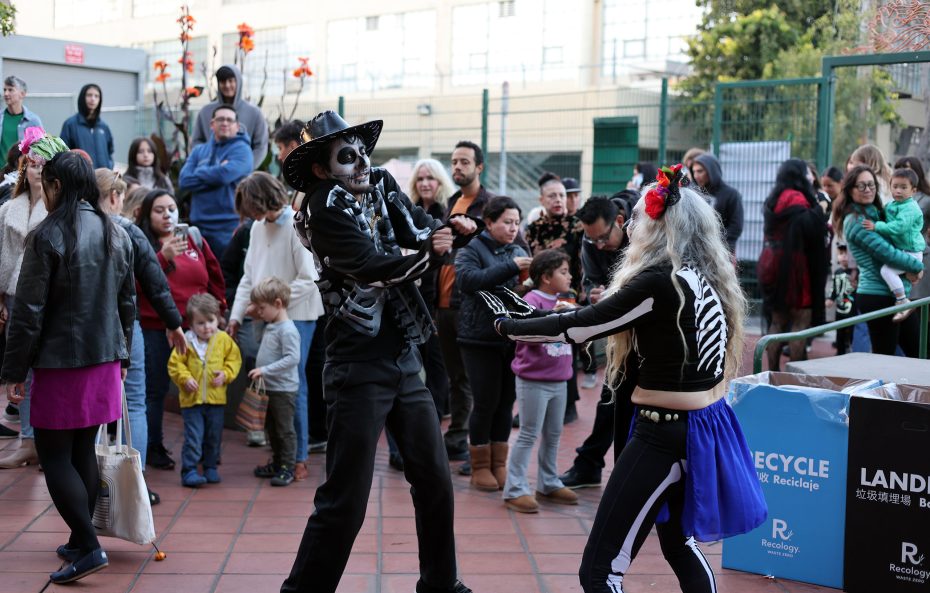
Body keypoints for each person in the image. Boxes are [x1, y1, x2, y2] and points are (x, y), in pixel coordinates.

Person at [487, 164, 767, 593]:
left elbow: (580, 328)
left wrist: (510, 327)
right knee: (680, 545)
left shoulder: (661, 281)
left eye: (636, 217)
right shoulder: (707, 279)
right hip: (704, 426)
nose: (629, 224)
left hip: (664, 434)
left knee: (600, 573)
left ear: (660, 226)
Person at [281, 110, 478, 593]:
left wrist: (451, 229)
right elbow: (372, 268)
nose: (362, 162)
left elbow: (417, 231)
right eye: (347, 156)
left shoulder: (383, 183)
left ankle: (440, 582)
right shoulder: (323, 207)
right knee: (345, 500)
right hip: (358, 364)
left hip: (403, 356)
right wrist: (432, 250)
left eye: (362, 151)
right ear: (324, 169)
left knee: (433, 479)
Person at [2, 150, 136, 584]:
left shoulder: (47, 235)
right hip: (104, 360)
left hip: (62, 362)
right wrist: (125, 354)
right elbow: (127, 302)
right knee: (81, 449)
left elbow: (28, 311)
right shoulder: (116, 232)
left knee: (55, 455)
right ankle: (82, 540)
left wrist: (13, 371)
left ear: (57, 186)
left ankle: (89, 544)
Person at [95, 168, 186, 503]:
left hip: (87, 333)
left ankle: (95, 484)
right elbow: (155, 282)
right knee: (134, 402)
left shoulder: (69, 227)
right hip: (124, 327)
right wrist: (174, 323)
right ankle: (136, 485)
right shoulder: (127, 230)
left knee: (93, 406)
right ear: (116, 197)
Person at [227, 172, 323, 480]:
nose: (254, 216)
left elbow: (309, 279)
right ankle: (281, 457)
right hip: (263, 317)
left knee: (293, 386)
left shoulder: (296, 224)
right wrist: (236, 316)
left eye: (255, 208)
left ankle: (299, 458)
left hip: (297, 317)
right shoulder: (257, 227)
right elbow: (248, 276)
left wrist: (272, 306)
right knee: (270, 387)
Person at [136, 189, 226, 471]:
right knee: (156, 390)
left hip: (198, 330)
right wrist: (162, 257)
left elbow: (214, 276)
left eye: (172, 209)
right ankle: (153, 446)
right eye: (159, 210)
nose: (167, 215)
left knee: (205, 389)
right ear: (147, 214)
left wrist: (218, 311)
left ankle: (206, 449)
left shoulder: (193, 238)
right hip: (157, 329)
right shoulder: (142, 244)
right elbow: (136, 286)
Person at [556, 192, 636, 489]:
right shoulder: (591, 240)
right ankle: (592, 466)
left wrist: (615, 293)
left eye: (603, 238)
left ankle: (604, 469)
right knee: (611, 397)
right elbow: (591, 280)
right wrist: (593, 293)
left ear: (620, 221)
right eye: (593, 241)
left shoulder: (650, 225)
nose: (599, 246)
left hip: (654, 331)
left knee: (621, 402)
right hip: (623, 335)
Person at [456, 196, 529, 491]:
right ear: (489, 222)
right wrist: (511, 267)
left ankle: (500, 464)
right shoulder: (472, 249)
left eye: (516, 223)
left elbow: (518, 288)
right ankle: (480, 465)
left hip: (509, 336)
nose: (513, 228)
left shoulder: (517, 249)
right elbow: (468, 280)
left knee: (506, 401)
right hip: (477, 338)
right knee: (485, 401)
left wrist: (530, 284)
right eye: (507, 222)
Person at [503, 249, 578, 513]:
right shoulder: (531, 301)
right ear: (546, 277)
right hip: (533, 379)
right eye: (564, 272)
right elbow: (522, 335)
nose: (570, 277)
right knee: (528, 433)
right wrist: (552, 318)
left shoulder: (566, 300)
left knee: (554, 433)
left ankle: (548, 482)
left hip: (560, 378)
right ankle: (515, 489)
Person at [0, 127, 59, 460]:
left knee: (48, 370)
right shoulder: (8, 211)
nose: (37, 170)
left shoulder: (59, 212)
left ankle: (49, 441)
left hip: (48, 297)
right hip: (14, 297)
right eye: (32, 164)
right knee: (21, 368)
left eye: (43, 164)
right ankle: (27, 440)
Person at [438, 140, 495, 462]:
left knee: (472, 377)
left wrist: (476, 231)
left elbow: (503, 245)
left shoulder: (490, 205)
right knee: (455, 376)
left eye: (464, 161)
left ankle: (468, 439)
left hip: (470, 303)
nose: (457, 167)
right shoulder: (451, 202)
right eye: (454, 161)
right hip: (444, 302)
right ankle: (459, 435)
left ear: (479, 167)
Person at [833, 165, 924, 356]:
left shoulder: (875, 212)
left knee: (919, 351)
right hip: (878, 295)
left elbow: (903, 237)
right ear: (850, 190)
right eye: (861, 186)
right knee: (886, 357)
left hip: (892, 294)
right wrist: (917, 266)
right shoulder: (857, 221)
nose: (868, 190)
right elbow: (887, 253)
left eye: (871, 185)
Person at [757, 158, 829, 370]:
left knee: (778, 319)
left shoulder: (775, 197)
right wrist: (821, 208)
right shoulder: (795, 197)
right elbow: (807, 226)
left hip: (773, 262)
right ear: (797, 175)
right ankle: (794, 375)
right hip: (793, 267)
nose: (810, 177)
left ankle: (771, 371)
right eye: (807, 172)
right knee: (800, 321)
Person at [168, 293, 241, 487]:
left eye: (210, 321)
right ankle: (189, 470)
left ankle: (210, 466)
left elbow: (234, 360)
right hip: (191, 401)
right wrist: (185, 378)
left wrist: (226, 374)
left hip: (216, 400)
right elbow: (175, 365)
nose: (207, 327)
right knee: (194, 435)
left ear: (218, 319)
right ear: (191, 325)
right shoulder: (185, 341)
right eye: (200, 323)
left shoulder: (224, 340)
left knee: (213, 435)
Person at [408, 158, 456, 417]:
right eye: (420, 179)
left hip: (438, 294)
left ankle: (437, 410)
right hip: (413, 290)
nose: (425, 183)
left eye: (430, 178)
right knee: (423, 352)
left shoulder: (445, 212)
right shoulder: (409, 209)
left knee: (436, 356)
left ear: (440, 182)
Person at [247, 277, 302, 486]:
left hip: (283, 389)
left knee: (284, 430)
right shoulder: (271, 325)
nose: (259, 311)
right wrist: (254, 319)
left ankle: (288, 466)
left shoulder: (287, 329)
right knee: (271, 428)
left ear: (278, 304)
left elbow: (292, 358)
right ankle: (278, 463)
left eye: (262, 308)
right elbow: (259, 342)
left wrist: (265, 370)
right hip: (270, 387)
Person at [179, 104, 252, 258]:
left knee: (223, 277)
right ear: (212, 124)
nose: (225, 123)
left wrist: (199, 172)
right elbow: (184, 180)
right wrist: (217, 171)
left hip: (228, 229)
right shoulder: (199, 151)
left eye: (229, 120)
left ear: (237, 126)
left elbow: (224, 175)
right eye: (220, 119)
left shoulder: (243, 151)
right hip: (198, 228)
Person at [860, 168, 926, 321]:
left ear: (913, 190)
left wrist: (877, 226)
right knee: (897, 274)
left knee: (887, 271)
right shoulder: (892, 204)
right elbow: (882, 213)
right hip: (902, 250)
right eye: (895, 186)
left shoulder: (911, 208)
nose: (898, 190)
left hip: (911, 252)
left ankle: (902, 300)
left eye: (903, 187)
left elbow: (899, 227)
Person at [192, 64, 269, 169]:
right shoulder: (205, 112)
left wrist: (245, 168)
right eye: (223, 81)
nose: (227, 85)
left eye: (231, 81)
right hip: (211, 174)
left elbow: (261, 146)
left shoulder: (255, 113)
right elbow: (196, 141)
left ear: (238, 81)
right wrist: (207, 164)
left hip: (243, 178)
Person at [690, 152, 744, 253]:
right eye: (694, 172)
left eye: (700, 171)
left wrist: (716, 244)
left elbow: (736, 227)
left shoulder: (731, 194)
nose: (696, 176)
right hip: (696, 252)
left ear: (712, 171)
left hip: (722, 251)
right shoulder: (694, 193)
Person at [59, 84, 113, 169]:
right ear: (82, 97)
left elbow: (110, 153)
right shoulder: (70, 124)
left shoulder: (104, 127)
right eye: (89, 95)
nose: (93, 99)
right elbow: (63, 154)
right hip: (81, 179)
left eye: (96, 96)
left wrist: (109, 167)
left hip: (103, 179)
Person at [0, 76, 43, 158]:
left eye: (10, 90)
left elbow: (40, 149)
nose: (6, 93)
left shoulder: (33, 120)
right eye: (4, 90)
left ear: (22, 94)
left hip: (19, 170)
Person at [826, 243, 857, 355]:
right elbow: (834, 288)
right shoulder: (837, 272)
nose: (843, 256)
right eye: (841, 254)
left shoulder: (855, 272)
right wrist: (830, 298)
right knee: (839, 331)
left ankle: (851, 350)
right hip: (839, 309)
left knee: (852, 332)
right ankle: (840, 351)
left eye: (846, 254)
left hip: (852, 309)